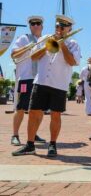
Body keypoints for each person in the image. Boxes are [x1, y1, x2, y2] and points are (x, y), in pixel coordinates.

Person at [12, 15, 81, 157]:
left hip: (59, 84)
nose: (59, 29)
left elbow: (73, 62)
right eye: (57, 26)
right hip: (41, 81)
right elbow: (33, 57)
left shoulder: (73, 43)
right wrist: (47, 46)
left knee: (55, 115)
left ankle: (52, 144)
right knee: (33, 114)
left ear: (69, 29)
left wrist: (62, 46)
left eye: (62, 27)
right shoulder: (45, 39)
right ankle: (30, 145)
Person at [10, 16, 46, 146]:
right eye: (33, 24)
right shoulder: (24, 38)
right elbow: (13, 54)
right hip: (26, 78)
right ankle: (15, 135)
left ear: (42, 26)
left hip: (40, 79)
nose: (35, 25)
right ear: (30, 26)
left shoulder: (44, 40)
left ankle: (33, 133)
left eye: (38, 23)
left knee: (39, 110)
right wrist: (27, 48)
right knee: (20, 108)